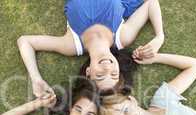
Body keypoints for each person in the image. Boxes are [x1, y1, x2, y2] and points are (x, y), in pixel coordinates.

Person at [17, 0, 164, 96]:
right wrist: (159, 37)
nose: (107, 69)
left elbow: (25, 42)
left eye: (100, 76)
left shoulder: (71, 45)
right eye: (114, 75)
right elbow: (151, 3)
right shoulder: (122, 37)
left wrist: (35, 78)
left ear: (88, 72)